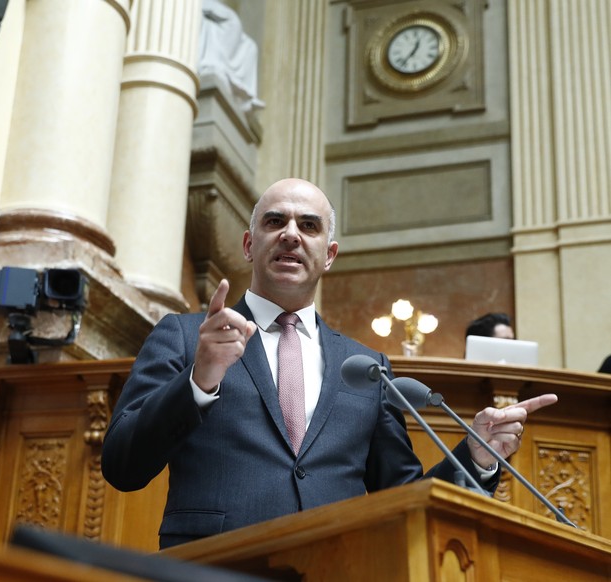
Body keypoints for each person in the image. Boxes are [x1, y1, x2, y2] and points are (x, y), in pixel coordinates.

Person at [101, 178, 557, 549]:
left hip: (338, 566)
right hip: (214, 567)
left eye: (309, 225)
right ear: (248, 243)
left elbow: (403, 499)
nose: (291, 234)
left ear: (329, 255)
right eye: (275, 221)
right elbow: (122, 465)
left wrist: (475, 457)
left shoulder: (366, 366)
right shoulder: (183, 336)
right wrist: (199, 379)